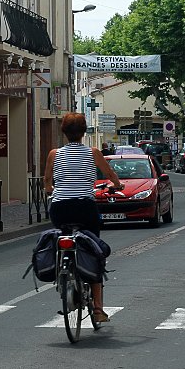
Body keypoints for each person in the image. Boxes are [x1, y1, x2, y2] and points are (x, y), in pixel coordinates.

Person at [43, 112, 123, 324]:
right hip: (85, 208)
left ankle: (64, 271)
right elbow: (110, 175)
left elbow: (47, 183)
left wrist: (53, 189)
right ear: (84, 131)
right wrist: (118, 185)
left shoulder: (54, 154)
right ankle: (97, 309)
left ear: (64, 132)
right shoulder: (93, 153)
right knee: (93, 251)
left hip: (59, 208)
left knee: (63, 237)